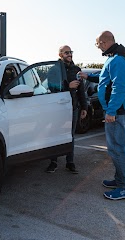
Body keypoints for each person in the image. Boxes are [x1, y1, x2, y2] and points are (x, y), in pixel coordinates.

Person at [79, 31, 125, 200]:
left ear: (104, 42)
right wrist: (88, 76)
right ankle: (120, 180)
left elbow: (119, 87)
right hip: (118, 109)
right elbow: (105, 78)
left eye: (98, 44)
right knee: (116, 148)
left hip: (119, 110)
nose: (97, 47)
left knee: (118, 149)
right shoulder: (114, 57)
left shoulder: (118, 59)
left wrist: (111, 111)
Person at [46, 45, 88, 174]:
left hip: (73, 107)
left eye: (71, 52)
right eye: (66, 52)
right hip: (58, 108)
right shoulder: (53, 70)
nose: (70, 54)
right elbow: (51, 88)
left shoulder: (76, 70)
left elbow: (81, 90)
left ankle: (70, 162)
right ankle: (53, 162)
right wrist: (67, 86)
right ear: (60, 55)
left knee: (70, 135)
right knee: (55, 134)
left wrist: (84, 107)